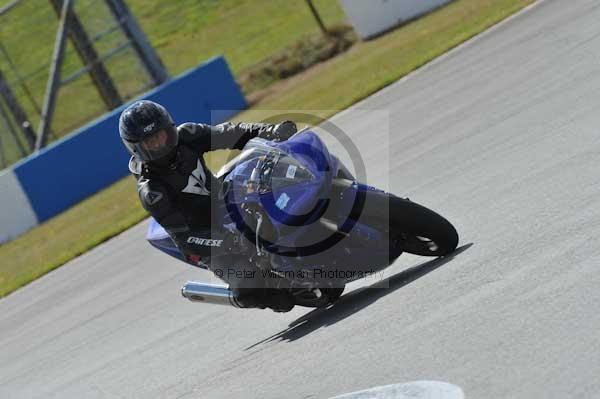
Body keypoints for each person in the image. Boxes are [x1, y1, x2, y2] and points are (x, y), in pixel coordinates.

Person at [119, 100, 298, 312]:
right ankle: (254, 293)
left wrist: (269, 131)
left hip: (225, 198)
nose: (159, 144)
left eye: (160, 136)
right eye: (151, 142)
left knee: (274, 177)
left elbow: (230, 133)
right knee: (255, 287)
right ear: (136, 147)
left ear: (169, 128)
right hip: (206, 235)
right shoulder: (152, 190)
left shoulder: (187, 135)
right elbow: (185, 239)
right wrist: (229, 241)